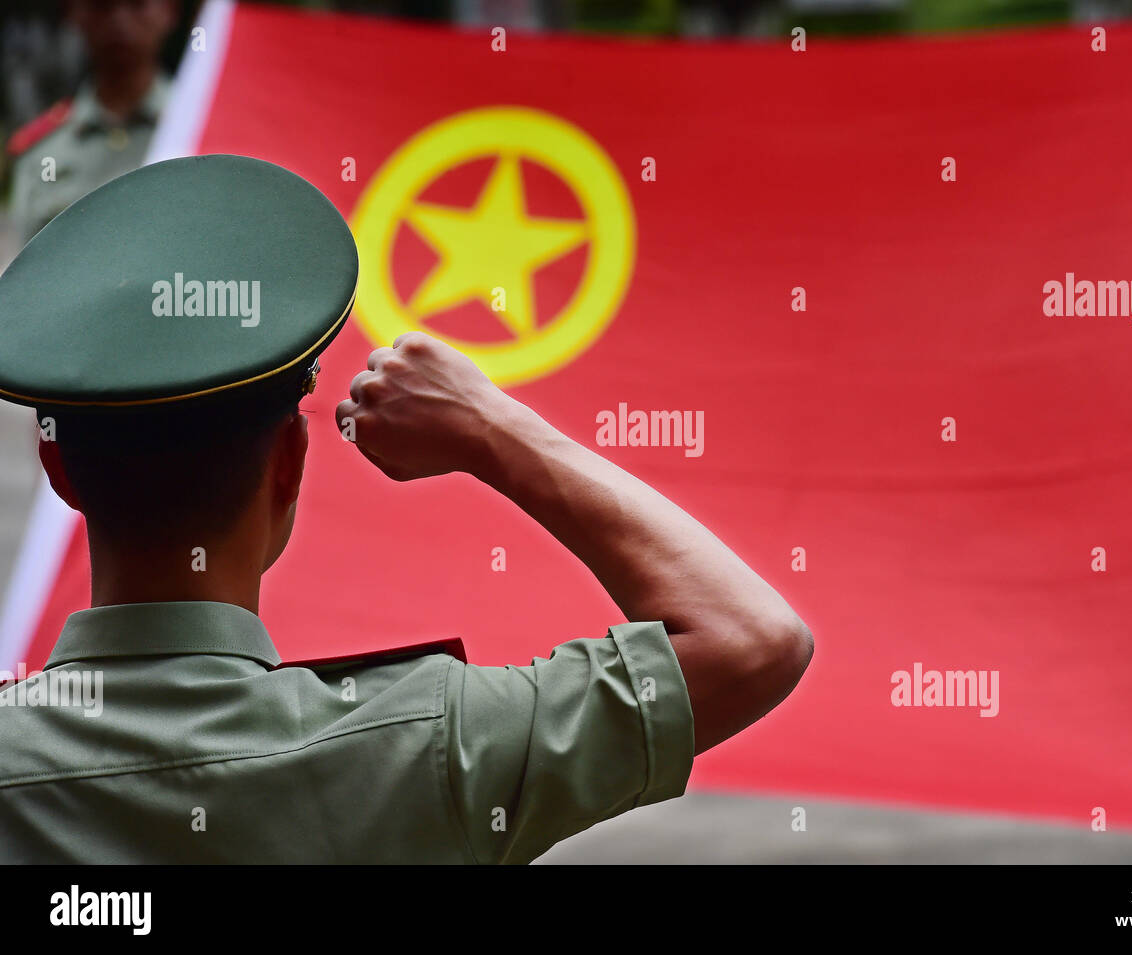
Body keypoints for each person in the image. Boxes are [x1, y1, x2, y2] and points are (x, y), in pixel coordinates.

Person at [0, 154, 812, 863]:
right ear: (291, 461)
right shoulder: (430, 744)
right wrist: (497, 430)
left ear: (57, 466)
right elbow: (752, 638)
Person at [7, 0, 175, 243]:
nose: (119, 20)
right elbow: (22, 273)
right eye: (102, 6)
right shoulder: (42, 152)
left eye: (138, 4)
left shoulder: (204, 129)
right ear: (74, 14)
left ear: (170, 11)